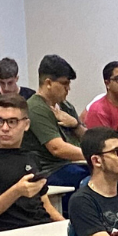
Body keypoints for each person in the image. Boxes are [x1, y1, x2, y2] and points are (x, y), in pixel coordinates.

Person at [0, 95, 64, 233]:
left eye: (12, 121)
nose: (5, 128)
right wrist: (16, 191)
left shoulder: (31, 156)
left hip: (42, 228)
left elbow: (44, 202)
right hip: (9, 235)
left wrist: (66, 227)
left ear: (26, 125)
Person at [23, 54, 87, 183]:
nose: (68, 89)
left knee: (110, 172)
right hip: (50, 171)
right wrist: (95, 155)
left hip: (73, 164)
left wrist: (76, 125)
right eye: (64, 84)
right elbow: (58, 149)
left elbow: (88, 139)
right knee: (94, 178)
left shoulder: (65, 106)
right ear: (48, 83)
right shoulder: (35, 108)